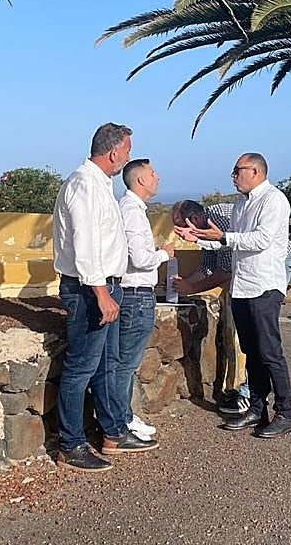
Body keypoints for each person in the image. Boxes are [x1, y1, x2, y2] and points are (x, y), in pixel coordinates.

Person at [53, 123, 158, 472]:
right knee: (81, 367)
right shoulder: (84, 184)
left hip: (106, 286)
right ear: (114, 152)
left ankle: (113, 433)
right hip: (89, 289)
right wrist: (100, 292)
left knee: (106, 364)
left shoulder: (100, 184)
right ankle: (70, 444)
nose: (127, 157)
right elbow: (85, 244)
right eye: (126, 151)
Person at [174, 153, 291, 438]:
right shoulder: (242, 203)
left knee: (269, 352)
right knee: (250, 352)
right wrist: (201, 238)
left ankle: (285, 412)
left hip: (264, 286)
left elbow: (261, 240)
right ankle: (257, 409)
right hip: (243, 286)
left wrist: (220, 237)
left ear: (255, 171)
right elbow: (232, 246)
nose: (233, 176)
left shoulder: (273, 200)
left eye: (237, 170)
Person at [170, 199, 251, 416]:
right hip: (243, 274)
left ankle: (245, 392)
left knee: (246, 334)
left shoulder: (219, 221)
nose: (180, 235)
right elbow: (207, 267)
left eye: (182, 227)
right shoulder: (203, 229)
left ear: (195, 219)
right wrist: (182, 284)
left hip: (267, 269)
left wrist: (192, 287)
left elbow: (226, 270)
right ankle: (238, 388)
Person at [117, 158, 174, 442]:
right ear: (140, 180)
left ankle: (123, 417)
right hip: (135, 295)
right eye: (152, 173)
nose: (157, 177)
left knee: (126, 363)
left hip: (136, 294)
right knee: (126, 364)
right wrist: (164, 254)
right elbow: (139, 259)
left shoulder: (131, 209)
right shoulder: (132, 211)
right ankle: (121, 422)